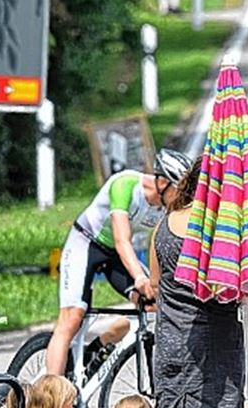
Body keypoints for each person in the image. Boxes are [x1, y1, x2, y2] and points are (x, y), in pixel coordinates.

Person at [124, 158, 245, 408]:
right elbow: (234, 287)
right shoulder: (222, 229)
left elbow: (157, 285)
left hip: (173, 341)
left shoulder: (164, 226)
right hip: (217, 341)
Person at [45, 147, 191, 375]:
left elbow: (165, 244)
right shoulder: (125, 185)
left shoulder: (166, 208)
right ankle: (49, 397)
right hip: (86, 244)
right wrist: (140, 277)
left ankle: (99, 346)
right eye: (180, 190)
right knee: (72, 318)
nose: (183, 198)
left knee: (152, 302)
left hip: (115, 255)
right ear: (163, 182)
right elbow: (122, 240)